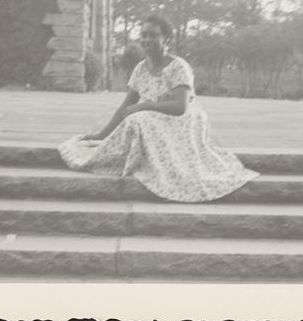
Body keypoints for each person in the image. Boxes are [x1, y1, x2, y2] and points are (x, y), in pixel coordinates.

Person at [58, 14, 259, 202]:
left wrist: (143, 106)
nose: (146, 40)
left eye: (153, 35)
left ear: (167, 39)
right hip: (151, 115)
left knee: (138, 118)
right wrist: (101, 135)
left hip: (182, 118)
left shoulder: (178, 67)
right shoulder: (140, 68)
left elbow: (180, 106)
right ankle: (126, 157)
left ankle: (159, 167)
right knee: (135, 119)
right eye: (143, 35)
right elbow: (126, 106)